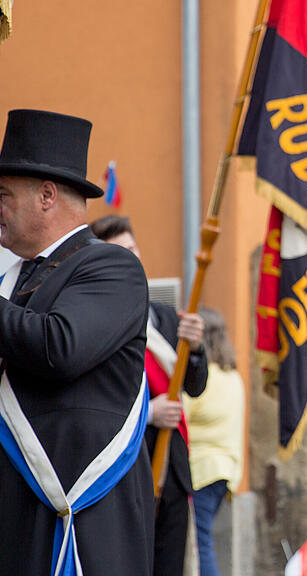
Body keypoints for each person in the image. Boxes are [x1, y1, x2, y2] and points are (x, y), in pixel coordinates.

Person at [0, 109, 153, 574]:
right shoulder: (0, 289)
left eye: (2, 195)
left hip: (85, 527)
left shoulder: (112, 268)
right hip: (5, 528)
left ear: (47, 196)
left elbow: (60, 348)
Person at [89, 214, 208, 576]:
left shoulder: (165, 317)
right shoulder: (97, 324)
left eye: (133, 249)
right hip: (129, 467)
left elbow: (195, 385)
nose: (132, 258)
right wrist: (148, 412)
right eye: (121, 251)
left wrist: (198, 349)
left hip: (173, 468)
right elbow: (97, 397)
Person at [183, 307, 245, 576]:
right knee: (203, 541)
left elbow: (180, 416)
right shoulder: (233, 377)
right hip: (225, 472)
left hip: (201, 470)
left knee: (199, 545)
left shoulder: (206, 377)